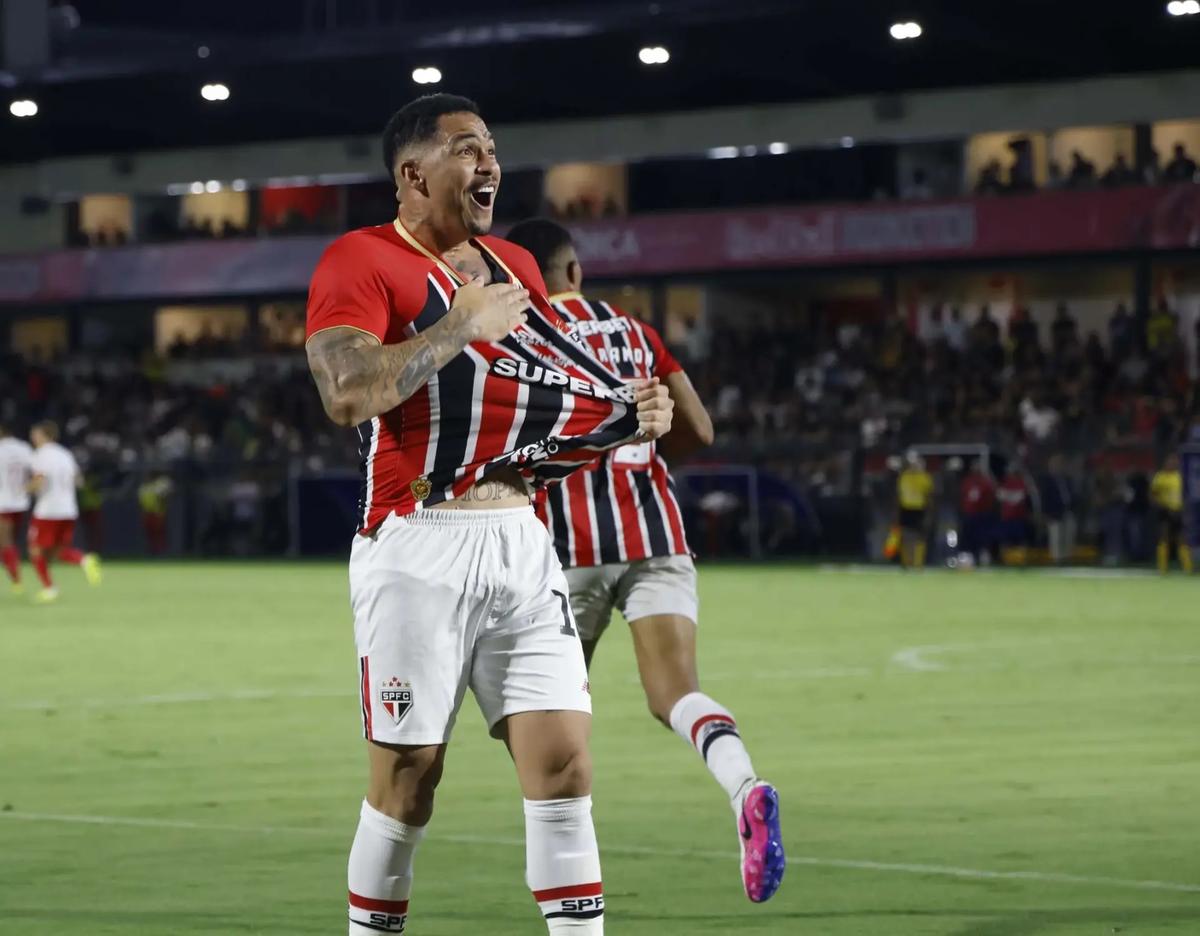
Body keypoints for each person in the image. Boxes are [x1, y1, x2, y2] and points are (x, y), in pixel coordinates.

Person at [304, 93, 675, 936]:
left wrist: (625, 414)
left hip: (520, 536)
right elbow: (348, 393)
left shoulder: (515, 263)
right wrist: (458, 324)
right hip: (417, 541)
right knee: (409, 774)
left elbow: (543, 413)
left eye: (493, 150)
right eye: (468, 149)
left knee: (565, 764)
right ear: (412, 173)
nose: (490, 165)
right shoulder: (359, 260)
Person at [505, 218, 786, 904]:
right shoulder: (633, 331)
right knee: (675, 695)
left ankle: (569, 868)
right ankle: (744, 786)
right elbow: (699, 428)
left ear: (518, 278)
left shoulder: (517, 336)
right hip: (655, 534)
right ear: (575, 271)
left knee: (541, 722)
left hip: (566, 550)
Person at [26, 421, 102, 603]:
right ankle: (84, 560)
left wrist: (24, 490)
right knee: (57, 552)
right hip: (68, 510)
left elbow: (39, 481)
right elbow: (79, 481)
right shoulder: (66, 454)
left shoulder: (40, 455)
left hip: (47, 511)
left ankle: (49, 588)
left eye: (36, 434)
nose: (33, 438)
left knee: (35, 551)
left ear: (46, 436)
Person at [0, 423, 33, 594]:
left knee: (5, 542)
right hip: (21, 501)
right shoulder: (24, 447)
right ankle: (14, 576)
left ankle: (16, 580)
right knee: (9, 541)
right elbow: (34, 470)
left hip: (4, 502)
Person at [1150, 454, 1192, 574]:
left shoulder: (1179, 477)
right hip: (1165, 511)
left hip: (1178, 511)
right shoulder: (1160, 477)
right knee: (1164, 537)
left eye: (1175, 462)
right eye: (1171, 461)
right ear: (1165, 462)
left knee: (1182, 540)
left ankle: (1188, 568)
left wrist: (1184, 510)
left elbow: (1184, 495)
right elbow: (1153, 495)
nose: (1173, 463)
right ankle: (1162, 569)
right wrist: (1161, 506)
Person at [896, 451, 933, 569]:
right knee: (905, 536)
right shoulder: (904, 476)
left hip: (919, 509)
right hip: (906, 509)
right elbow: (899, 495)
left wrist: (929, 512)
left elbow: (929, 496)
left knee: (919, 537)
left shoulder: (925, 477)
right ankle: (906, 563)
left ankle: (918, 563)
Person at [958, 457, 996, 565]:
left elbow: (990, 498)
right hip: (969, 514)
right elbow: (963, 497)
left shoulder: (986, 481)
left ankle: (983, 558)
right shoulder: (967, 481)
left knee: (982, 538)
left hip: (982, 514)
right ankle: (968, 560)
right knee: (968, 537)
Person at [997, 463, 1033, 566]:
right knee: (1005, 541)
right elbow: (1000, 495)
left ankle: (1022, 561)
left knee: (1021, 541)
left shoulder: (1021, 482)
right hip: (1007, 517)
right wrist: (1012, 496)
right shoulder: (1004, 483)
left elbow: (1020, 497)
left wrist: (1009, 496)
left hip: (1019, 517)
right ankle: (1005, 561)